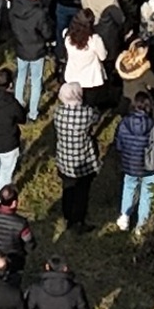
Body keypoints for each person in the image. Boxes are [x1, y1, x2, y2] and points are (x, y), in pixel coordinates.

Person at [112, 89, 154, 233]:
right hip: (149, 166)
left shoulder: (124, 123)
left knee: (129, 187)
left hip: (129, 164)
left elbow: (118, 144)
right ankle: (141, 225)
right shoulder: (153, 125)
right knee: (147, 193)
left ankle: (125, 217)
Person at [50, 83, 103, 230]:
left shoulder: (58, 113)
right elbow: (96, 117)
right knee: (82, 192)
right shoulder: (86, 113)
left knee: (68, 187)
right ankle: (77, 220)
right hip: (82, 159)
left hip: (64, 158)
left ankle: (67, 214)